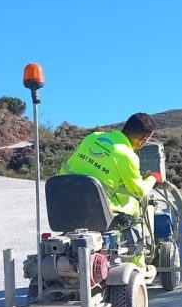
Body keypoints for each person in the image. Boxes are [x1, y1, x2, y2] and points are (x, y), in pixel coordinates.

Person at [59, 112, 163, 267]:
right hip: (97, 213)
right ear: (144, 139)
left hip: (66, 204)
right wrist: (153, 177)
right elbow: (139, 191)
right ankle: (137, 267)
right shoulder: (127, 156)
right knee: (134, 207)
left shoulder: (93, 137)